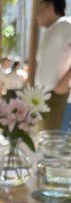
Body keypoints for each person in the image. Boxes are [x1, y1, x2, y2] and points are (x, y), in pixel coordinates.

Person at [35, 0, 71, 130]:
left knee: (55, 144)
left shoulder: (66, 24)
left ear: (50, 8)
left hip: (59, 96)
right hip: (44, 96)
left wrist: (65, 81)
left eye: (38, 10)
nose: (36, 16)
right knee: (44, 142)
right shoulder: (51, 30)